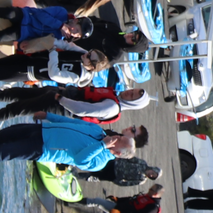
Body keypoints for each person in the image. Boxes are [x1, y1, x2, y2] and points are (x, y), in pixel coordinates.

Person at [0, 113, 135, 170]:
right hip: (41, 129)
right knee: (5, 133)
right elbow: (72, 122)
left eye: (119, 140)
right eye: (120, 136)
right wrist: (49, 116)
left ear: (118, 153)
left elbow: (80, 160)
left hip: (43, 148)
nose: (116, 137)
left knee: (5, 151)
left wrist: (102, 145)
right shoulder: (98, 130)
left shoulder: (100, 162)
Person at [0, 86, 148, 124]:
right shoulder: (114, 95)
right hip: (59, 93)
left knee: (16, 109)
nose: (129, 92)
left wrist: (61, 99)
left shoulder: (112, 107)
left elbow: (83, 110)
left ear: (132, 104)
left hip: (58, 104)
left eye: (132, 96)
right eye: (132, 90)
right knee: (17, 93)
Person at [0, 47, 110, 87]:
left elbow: (54, 74)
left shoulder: (77, 76)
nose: (86, 54)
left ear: (92, 67)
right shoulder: (82, 56)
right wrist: (54, 42)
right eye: (90, 51)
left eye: (89, 56)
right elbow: (68, 46)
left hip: (27, 72)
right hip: (29, 60)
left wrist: (53, 52)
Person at [72, 184, 163, 213]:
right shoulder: (148, 196)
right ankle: (72, 202)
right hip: (119, 207)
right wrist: (118, 199)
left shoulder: (152, 208)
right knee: (97, 201)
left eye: (151, 189)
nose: (149, 189)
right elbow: (132, 199)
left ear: (155, 194)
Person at [0, 5, 92, 47]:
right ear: (76, 20)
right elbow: (40, 15)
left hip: (24, 33)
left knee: (4, 36)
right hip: (26, 16)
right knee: (9, 13)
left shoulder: (59, 39)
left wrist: (22, 46)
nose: (73, 33)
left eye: (77, 35)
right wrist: (60, 25)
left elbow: (38, 43)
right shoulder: (62, 12)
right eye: (76, 30)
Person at [83, 157, 160, 187]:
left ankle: (79, 176)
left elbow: (127, 183)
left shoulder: (141, 180)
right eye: (153, 173)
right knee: (95, 165)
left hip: (114, 175)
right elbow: (130, 158)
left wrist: (117, 181)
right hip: (114, 164)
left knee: (94, 176)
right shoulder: (142, 163)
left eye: (153, 176)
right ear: (153, 169)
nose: (151, 175)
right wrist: (118, 157)